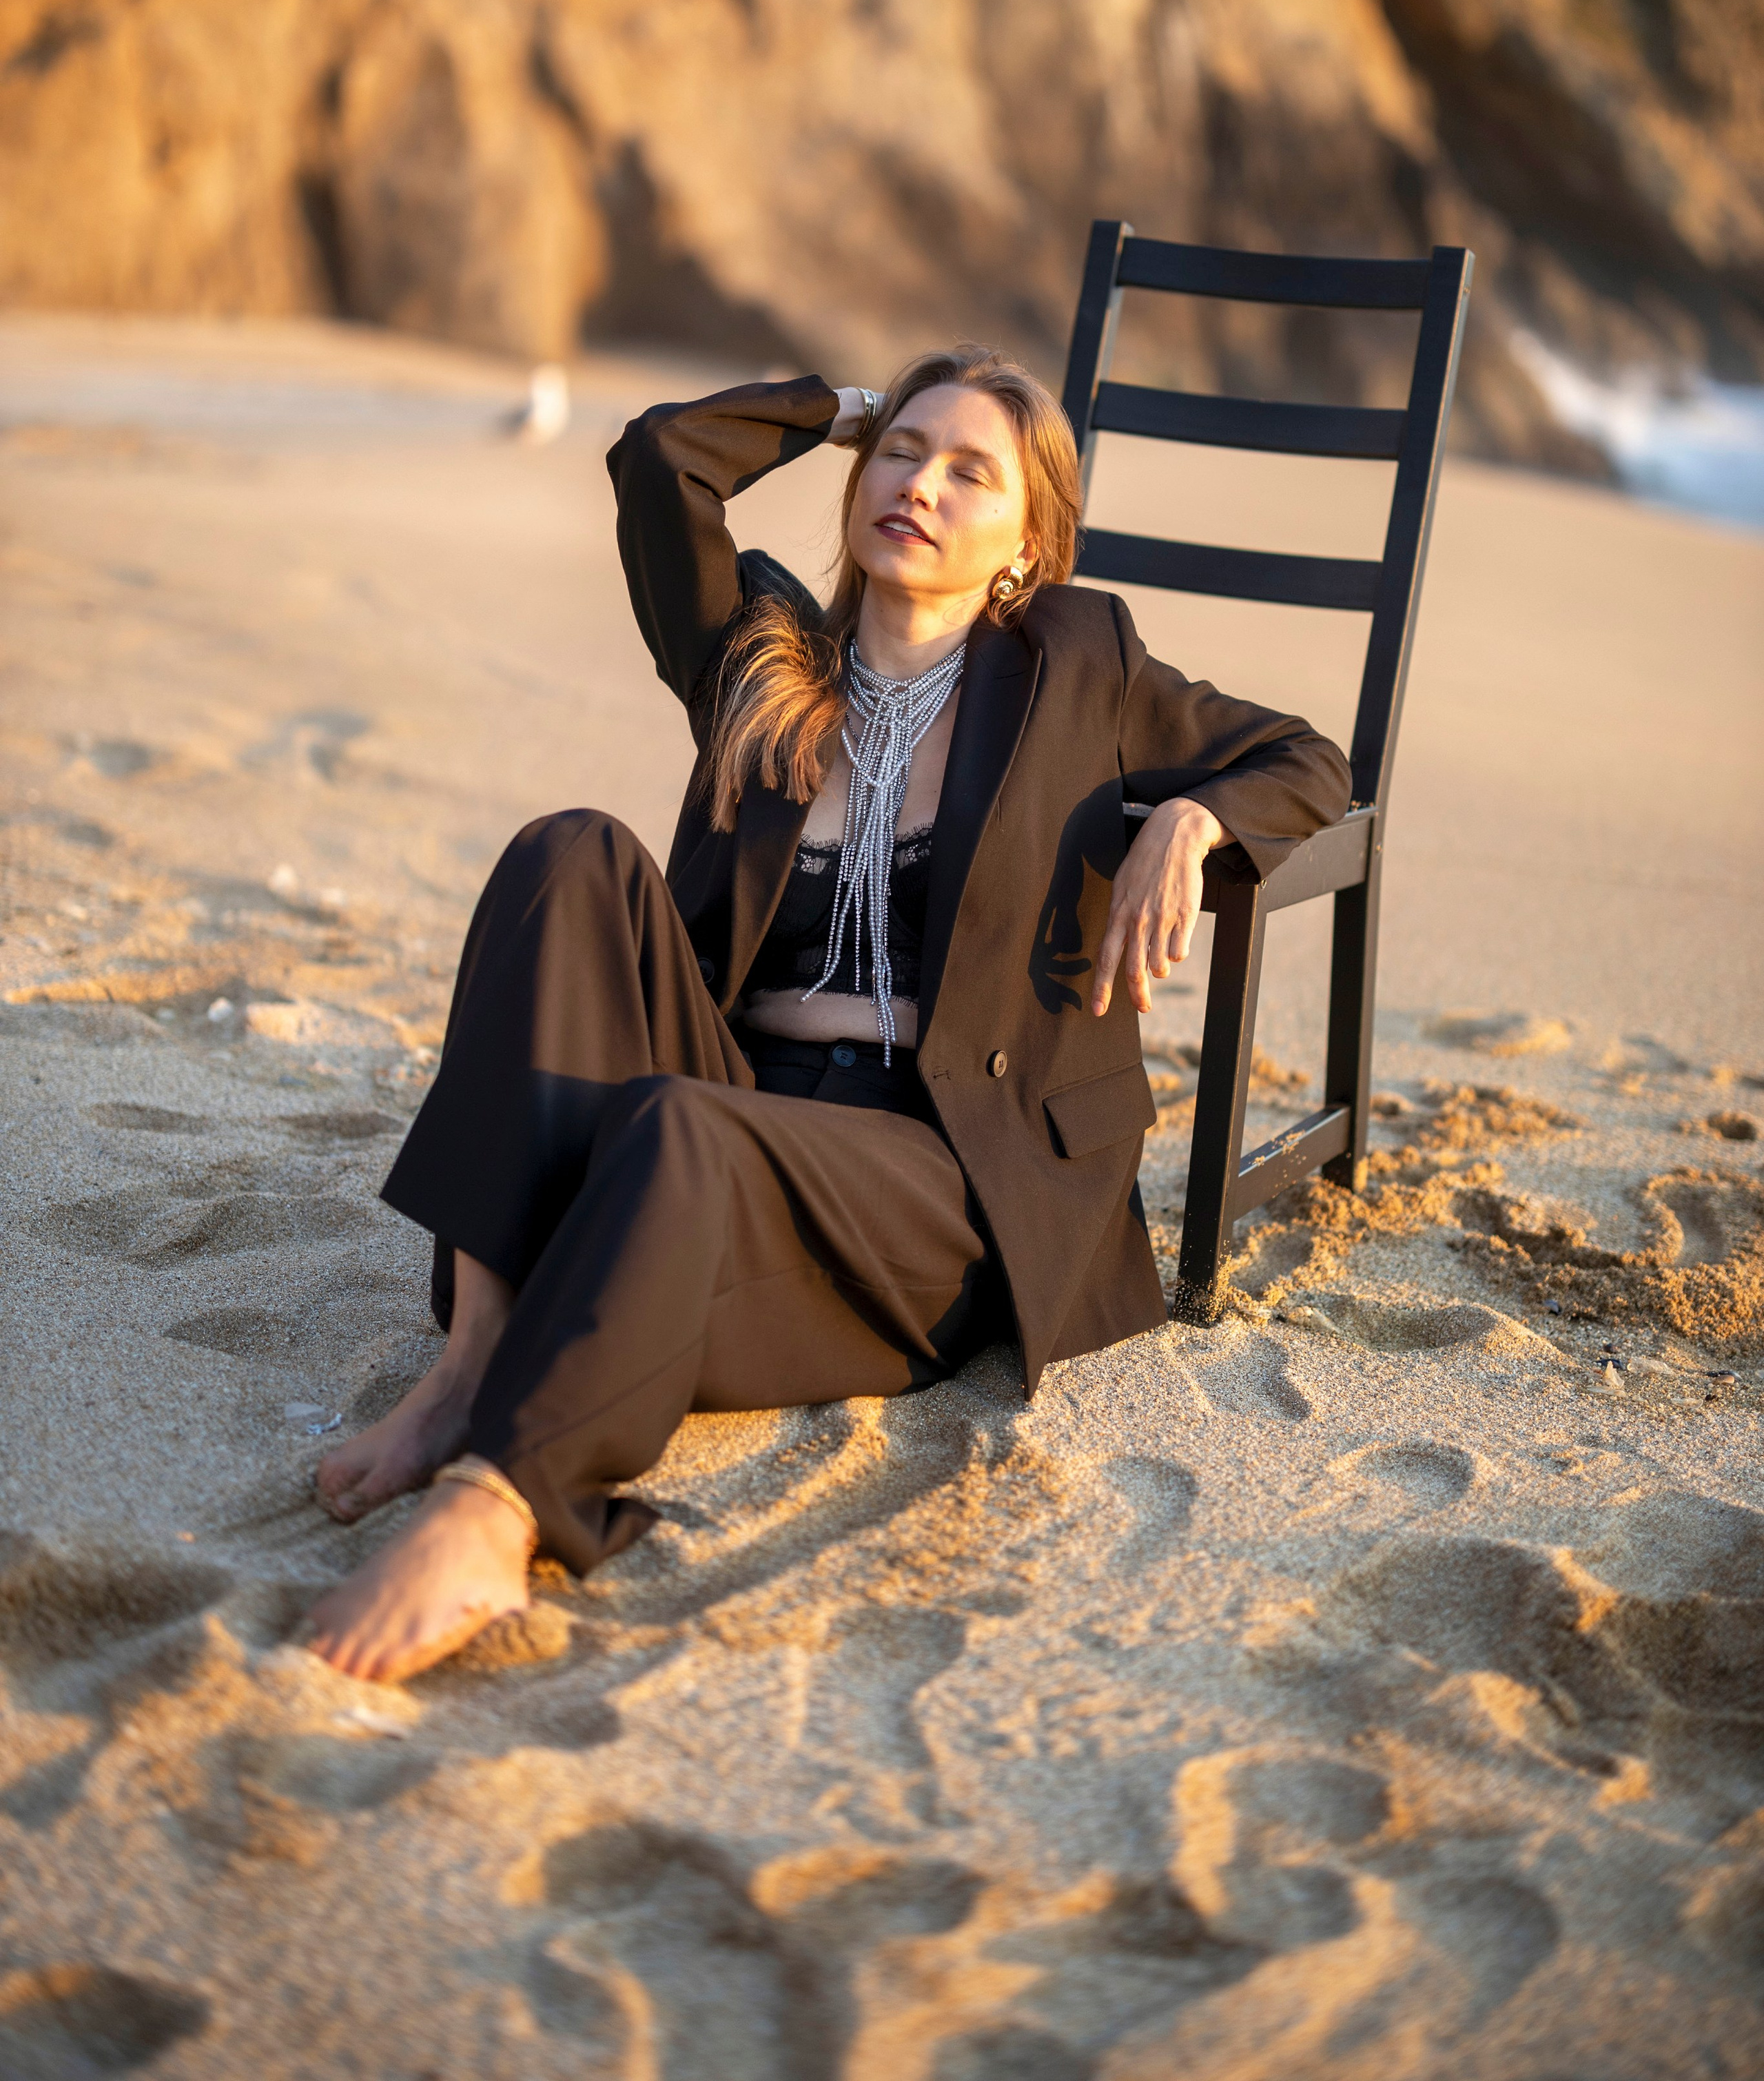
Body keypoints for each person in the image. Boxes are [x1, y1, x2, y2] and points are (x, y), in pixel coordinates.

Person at [305, 350, 1349, 1681]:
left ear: (1028, 547)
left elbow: (1311, 760)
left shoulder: (1081, 670)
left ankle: (501, 1507)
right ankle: (470, 1367)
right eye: (903, 455)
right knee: (568, 853)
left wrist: (1196, 819)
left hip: (934, 1172)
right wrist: (848, 406)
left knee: (684, 1130)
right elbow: (662, 458)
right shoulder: (765, 654)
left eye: (973, 473)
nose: (920, 484)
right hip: (735, 1099)